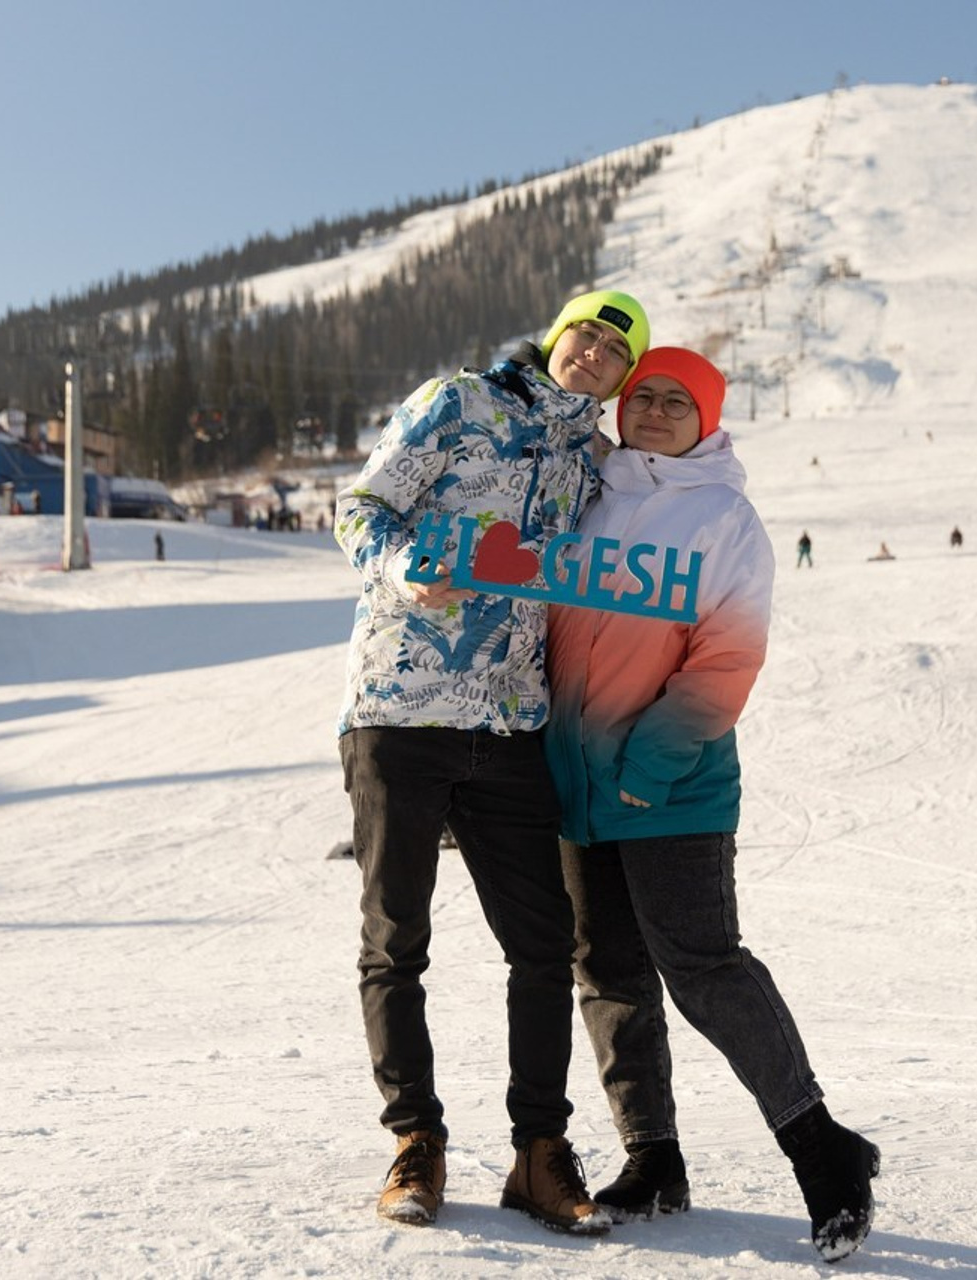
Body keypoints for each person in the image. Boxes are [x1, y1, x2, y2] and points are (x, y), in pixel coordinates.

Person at [545, 348, 880, 1263]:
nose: (654, 410)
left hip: (672, 786)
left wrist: (650, 764)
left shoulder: (723, 515)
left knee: (701, 966)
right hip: (576, 786)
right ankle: (653, 1159)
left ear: (707, 420)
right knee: (606, 971)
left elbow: (726, 658)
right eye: (642, 395)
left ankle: (823, 1150)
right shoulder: (585, 496)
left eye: (675, 401)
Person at [334, 289, 650, 1235]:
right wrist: (400, 566)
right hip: (400, 704)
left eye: (614, 350)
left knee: (543, 944)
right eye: (586, 332)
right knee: (398, 937)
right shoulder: (458, 402)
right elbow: (359, 507)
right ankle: (414, 1142)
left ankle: (538, 1151)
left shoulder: (595, 465)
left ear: (623, 378)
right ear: (557, 337)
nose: (593, 351)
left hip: (512, 721)